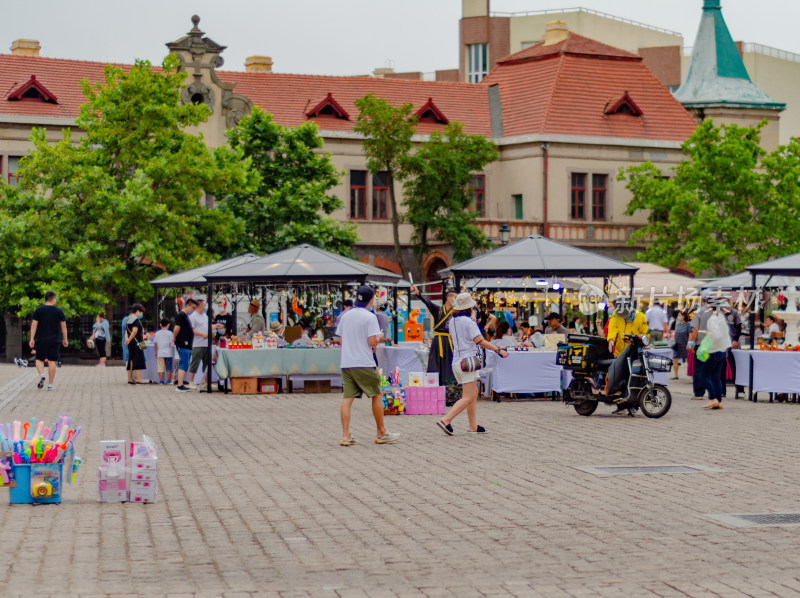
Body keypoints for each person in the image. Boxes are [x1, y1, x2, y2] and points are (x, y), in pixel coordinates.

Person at [336, 286, 399, 446]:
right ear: (371, 300)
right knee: (376, 395)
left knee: (347, 398)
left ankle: (346, 435)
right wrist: (379, 337)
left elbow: (341, 340)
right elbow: (371, 341)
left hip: (347, 363)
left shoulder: (346, 316)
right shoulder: (370, 317)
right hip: (364, 362)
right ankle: (381, 432)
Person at [437, 293, 508, 435]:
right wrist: (498, 349)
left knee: (472, 393)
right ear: (469, 307)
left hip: (457, 362)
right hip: (468, 361)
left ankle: (473, 426)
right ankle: (446, 419)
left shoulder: (452, 321)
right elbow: (480, 340)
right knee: (468, 396)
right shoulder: (469, 322)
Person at [410, 285, 458, 388]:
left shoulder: (455, 312)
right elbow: (427, 302)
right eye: (455, 297)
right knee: (435, 365)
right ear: (448, 298)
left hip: (449, 341)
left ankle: (450, 392)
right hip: (438, 341)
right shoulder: (438, 310)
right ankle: (434, 390)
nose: (456, 299)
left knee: (448, 366)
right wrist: (418, 293)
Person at [29, 291, 67, 390]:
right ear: (53, 299)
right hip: (55, 340)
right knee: (52, 361)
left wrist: (32, 339)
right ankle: (50, 385)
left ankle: (42, 374)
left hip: (42, 339)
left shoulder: (39, 310)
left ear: (45, 299)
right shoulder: (59, 311)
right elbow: (63, 326)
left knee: (38, 359)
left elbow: (34, 325)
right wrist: (65, 339)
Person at [702, 298, 732, 410]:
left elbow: (716, 335)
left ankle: (713, 398)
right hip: (723, 350)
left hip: (714, 350)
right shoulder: (721, 317)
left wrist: (708, 335)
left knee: (704, 375)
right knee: (716, 377)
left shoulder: (712, 319)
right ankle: (718, 401)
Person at [688, 290, 714, 400]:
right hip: (713, 344)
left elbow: (695, 329)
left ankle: (699, 393)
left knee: (699, 368)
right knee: (711, 369)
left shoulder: (699, 311)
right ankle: (713, 392)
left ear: (702, 299)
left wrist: (692, 343)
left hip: (701, 344)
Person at [173, 298, 197, 392]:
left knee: (184, 364)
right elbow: (176, 328)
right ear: (187, 306)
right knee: (183, 364)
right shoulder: (181, 315)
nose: (193, 310)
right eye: (193, 307)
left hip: (186, 344)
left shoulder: (185, 316)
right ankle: (179, 385)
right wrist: (174, 337)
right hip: (183, 344)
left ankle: (181, 384)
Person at [721, 299, 742, 398]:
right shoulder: (717, 313)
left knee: (735, 367)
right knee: (721, 368)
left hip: (732, 343)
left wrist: (736, 340)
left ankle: (739, 390)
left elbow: (739, 327)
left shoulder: (734, 313)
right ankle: (722, 390)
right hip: (721, 344)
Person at [188, 300, 210, 390]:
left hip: (206, 343)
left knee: (207, 364)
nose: (205, 307)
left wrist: (215, 326)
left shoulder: (205, 316)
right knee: (195, 363)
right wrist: (202, 334)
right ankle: (191, 382)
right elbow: (191, 330)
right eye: (204, 305)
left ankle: (206, 382)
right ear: (199, 306)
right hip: (197, 344)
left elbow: (207, 326)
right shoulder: (193, 316)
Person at [125, 304, 146, 385]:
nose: (141, 314)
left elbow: (127, 331)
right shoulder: (135, 320)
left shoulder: (129, 319)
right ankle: (138, 379)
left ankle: (130, 378)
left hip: (132, 343)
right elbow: (134, 331)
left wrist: (127, 340)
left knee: (131, 359)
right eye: (141, 312)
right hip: (137, 343)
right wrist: (129, 340)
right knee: (137, 360)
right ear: (137, 311)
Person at [153, 318, 175, 385]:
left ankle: (161, 381)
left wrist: (156, 352)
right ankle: (168, 380)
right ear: (168, 325)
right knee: (169, 367)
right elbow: (172, 343)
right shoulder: (170, 333)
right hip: (168, 353)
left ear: (160, 324)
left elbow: (155, 344)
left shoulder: (157, 333)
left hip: (160, 353)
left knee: (160, 367)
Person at [671, 310, 691, 380]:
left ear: (684, 316)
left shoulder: (688, 324)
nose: (678, 317)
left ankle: (693, 374)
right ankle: (675, 375)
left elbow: (690, 335)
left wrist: (689, 344)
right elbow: (676, 333)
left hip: (685, 344)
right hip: (677, 344)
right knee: (675, 359)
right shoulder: (678, 324)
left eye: (679, 315)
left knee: (687, 359)